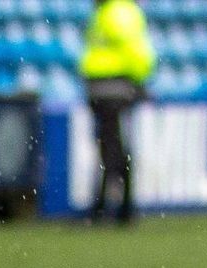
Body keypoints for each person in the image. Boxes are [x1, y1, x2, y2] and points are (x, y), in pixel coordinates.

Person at [80, 0, 154, 225]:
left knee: (111, 149)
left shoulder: (113, 12)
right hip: (113, 87)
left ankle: (113, 207)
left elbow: (133, 51)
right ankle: (120, 208)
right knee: (114, 147)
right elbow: (137, 51)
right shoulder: (119, 11)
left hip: (111, 87)